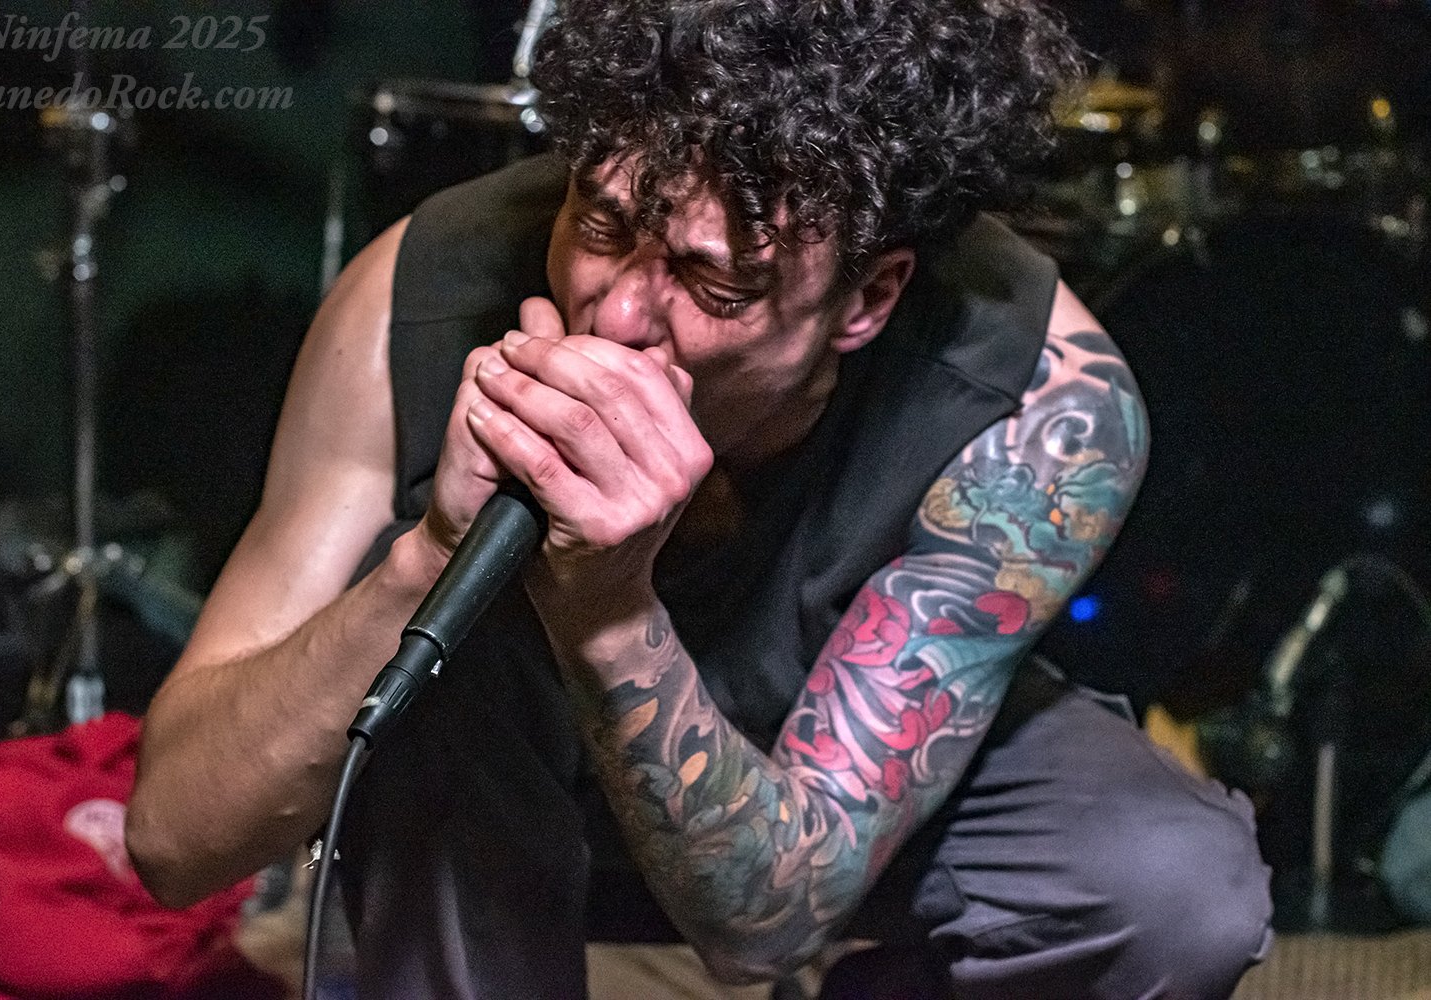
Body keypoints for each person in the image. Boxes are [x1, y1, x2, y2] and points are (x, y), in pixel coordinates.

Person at [126, 1, 1273, 996]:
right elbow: (173, 838)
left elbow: (764, 924)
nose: (618, 312)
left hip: (843, 805)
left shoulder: (1042, 403)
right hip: (503, 805)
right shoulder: (416, 294)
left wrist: (608, 606)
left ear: (868, 299)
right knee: (441, 663)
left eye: (713, 280)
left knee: (1174, 885)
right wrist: (430, 557)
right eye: (602, 224)